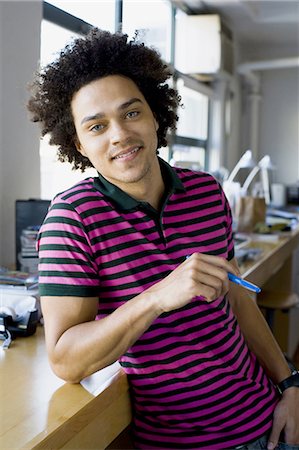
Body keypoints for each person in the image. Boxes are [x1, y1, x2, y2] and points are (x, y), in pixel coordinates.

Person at [27, 29, 299, 450]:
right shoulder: (73, 218)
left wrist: (290, 384)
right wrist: (157, 296)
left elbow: (238, 298)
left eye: (131, 113)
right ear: (79, 144)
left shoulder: (208, 192)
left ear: (154, 114)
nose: (118, 134)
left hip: (268, 419)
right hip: (183, 442)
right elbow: (66, 360)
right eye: (97, 126)